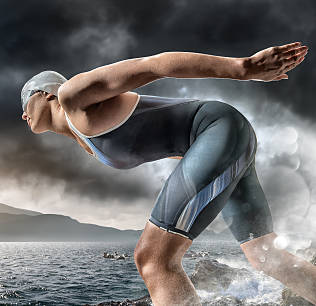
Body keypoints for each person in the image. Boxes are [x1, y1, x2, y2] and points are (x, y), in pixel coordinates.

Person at [20, 42, 315, 306]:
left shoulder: (72, 96)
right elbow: (172, 140)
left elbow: (153, 65)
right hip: (226, 139)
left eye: (25, 102)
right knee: (265, 255)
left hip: (218, 129)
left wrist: (242, 68)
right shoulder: (86, 141)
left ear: (46, 93)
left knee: (153, 260)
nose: (23, 114)